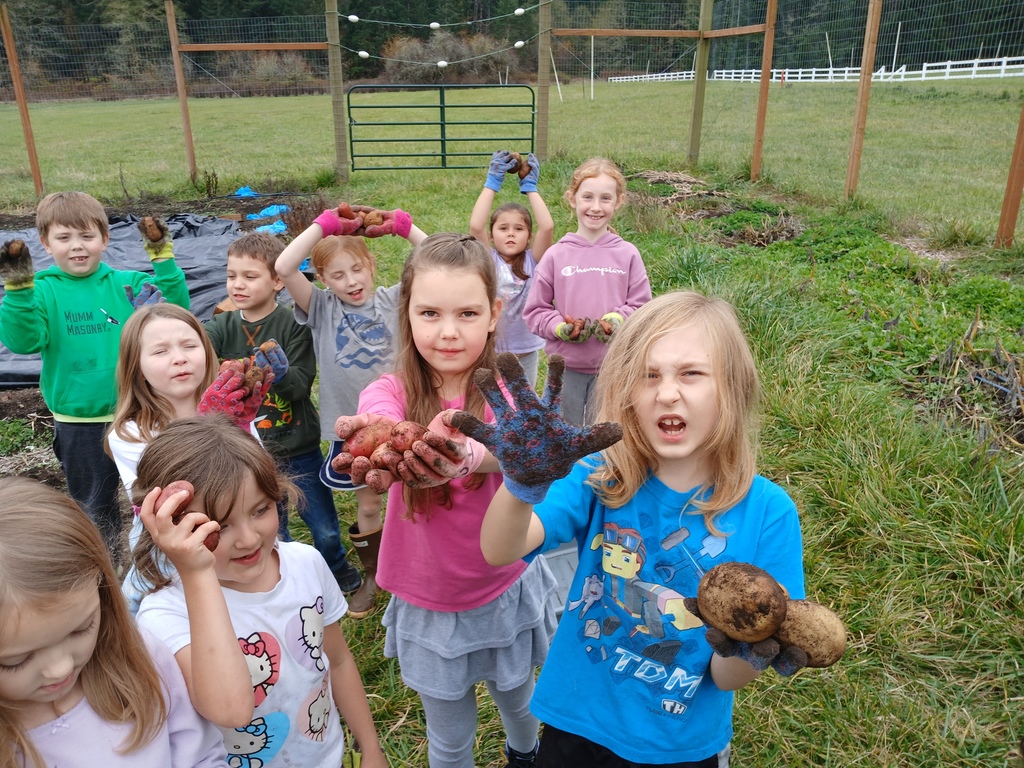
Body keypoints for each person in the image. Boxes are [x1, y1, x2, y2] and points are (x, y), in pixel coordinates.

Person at [453, 291, 807, 767]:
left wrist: (748, 644)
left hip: (679, 743)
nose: (666, 392)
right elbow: (500, 549)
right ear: (626, 394)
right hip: (575, 721)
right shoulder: (599, 475)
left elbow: (726, 679)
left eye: (691, 373)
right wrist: (522, 484)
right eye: (649, 375)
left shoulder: (769, 513)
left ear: (733, 388)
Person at [329, 233, 557, 768]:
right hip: (428, 595)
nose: (448, 331)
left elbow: (520, 449)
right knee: (449, 735)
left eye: (467, 313)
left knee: (520, 705)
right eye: (429, 313)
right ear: (405, 312)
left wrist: (471, 454)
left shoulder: (508, 391)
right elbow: (375, 411)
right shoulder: (392, 389)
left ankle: (524, 757)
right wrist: (374, 431)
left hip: (501, 586)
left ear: (495, 313)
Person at [132, 415, 387, 768]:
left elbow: (339, 660)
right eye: (219, 526)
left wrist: (370, 746)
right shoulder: (165, 617)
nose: (249, 539)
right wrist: (196, 572)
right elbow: (227, 709)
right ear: (170, 528)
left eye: (261, 510)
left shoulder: (305, 564)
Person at [0, 193, 189, 557]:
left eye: (87, 236)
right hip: (80, 422)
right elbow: (22, 341)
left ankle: (165, 566)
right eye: (64, 238)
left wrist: (162, 258)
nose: (77, 247)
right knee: (94, 508)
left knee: (161, 496)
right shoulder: (42, 291)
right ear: (45, 243)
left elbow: (178, 310)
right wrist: (19, 289)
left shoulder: (128, 285)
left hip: (140, 413)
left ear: (105, 238)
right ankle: (105, 579)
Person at [0, 476, 228, 768]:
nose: (61, 668)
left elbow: (201, 754)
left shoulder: (142, 657)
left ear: (102, 594)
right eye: (16, 660)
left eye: (82, 628)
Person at [275, 203, 426, 618]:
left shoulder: (395, 301)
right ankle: (375, 575)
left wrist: (404, 228)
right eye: (337, 275)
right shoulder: (321, 308)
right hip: (354, 430)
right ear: (322, 279)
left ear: (371, 264)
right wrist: (322, 226)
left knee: (414, 497)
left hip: (403, 423)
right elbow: (285, 267)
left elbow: (438, 263)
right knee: (370, 504)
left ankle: (415, 568)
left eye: (356, 269)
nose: (351, 281)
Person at [204, 231, 364, 597]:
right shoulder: (221, 326)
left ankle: (335, 566)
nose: (238, 284)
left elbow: (297, 388)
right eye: (232, 276)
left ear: (278, 280)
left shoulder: (294, 324)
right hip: (246, 454)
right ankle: (285, 582)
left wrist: (279, 373)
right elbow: (196, 350)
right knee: (274, 528)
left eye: (250, 276)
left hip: (297, 445)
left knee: (322, 526)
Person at [105, 302, 270, 614]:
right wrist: (209, 427)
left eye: (189, 345)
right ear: (135, 366)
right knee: (136, 611)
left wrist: (240, 427)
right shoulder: (129, 434)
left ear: (207, 352)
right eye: (160, 351)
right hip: (167, 549)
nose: (179, 358)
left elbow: (259, 477)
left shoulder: (232, 411)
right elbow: (165, 502)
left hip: (238, 528)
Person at [523, 157, 652, 425]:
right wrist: (559, 327)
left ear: (619, 202)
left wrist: (618, 320)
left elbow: (642, 307)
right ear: (572, 198)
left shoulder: (627, 254)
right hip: (564, 370)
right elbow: (535, 310)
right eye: (588, 197)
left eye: (605, 198)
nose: (596, 207)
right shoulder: (556, 255)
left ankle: (605, 469)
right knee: (564, 433)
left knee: (605, 433)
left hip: (614, 369)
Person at [469, 150, 554, 386]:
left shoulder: (533, 260)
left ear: (528, 236)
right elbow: (476, 226)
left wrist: (531, 188)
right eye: (503, 228)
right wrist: (492, 182)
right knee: (490, 407)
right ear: (491, 235)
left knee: (525, 409)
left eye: (518, 229)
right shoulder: (488, 259)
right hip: (490, 351)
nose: (510, 234)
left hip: (525, 353)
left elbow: (547, 227)